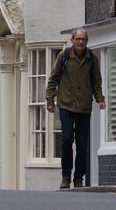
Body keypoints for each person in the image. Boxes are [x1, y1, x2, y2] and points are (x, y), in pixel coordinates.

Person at [45, 28, 106, 190]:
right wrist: (49, 100)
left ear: (86, 41)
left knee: (82, 144)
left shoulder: (92, 58)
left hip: (84, 108)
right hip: (66, 105)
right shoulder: (64, 56)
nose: (81, 42)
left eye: (83, 40)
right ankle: (66, 176)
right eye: (78, 39)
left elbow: (96, 82)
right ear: (72, 40)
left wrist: (100, 99)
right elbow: (53, 79)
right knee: (66, 140)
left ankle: (78, 178)